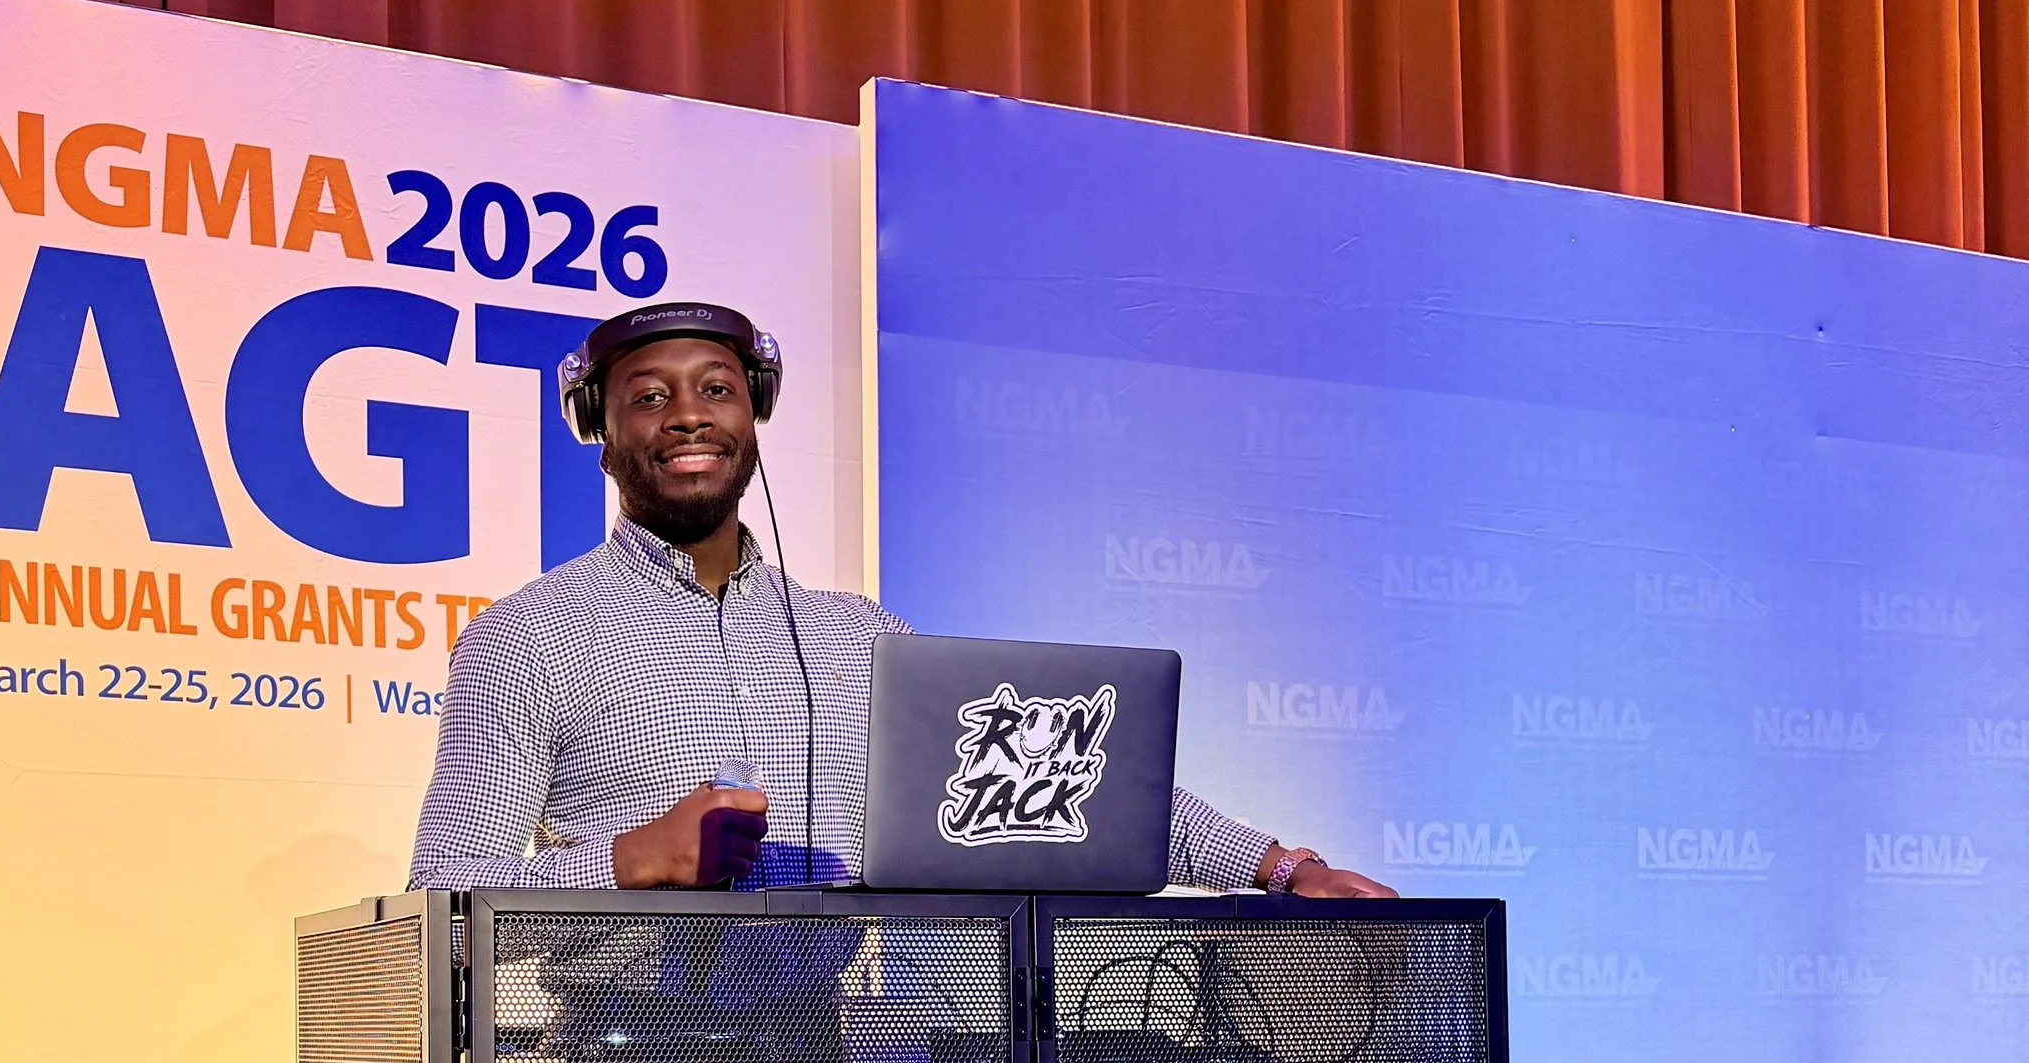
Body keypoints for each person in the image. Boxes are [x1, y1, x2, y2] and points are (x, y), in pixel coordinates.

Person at [407, 299, 1394, 899]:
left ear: (754, 416)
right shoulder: (524, 639)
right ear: (600, 429)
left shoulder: (861, 635)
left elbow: (1076, 793)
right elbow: (442, 899)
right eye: (649, 396)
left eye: (716, 388)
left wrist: (1280, 868)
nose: (688, 417)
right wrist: (634, 859)